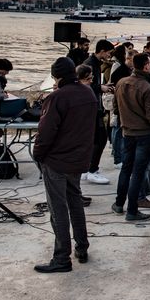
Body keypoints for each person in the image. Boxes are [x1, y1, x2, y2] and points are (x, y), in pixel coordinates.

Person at [32, 57, 98, 273]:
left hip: (57, 160)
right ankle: (82, 247)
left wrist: (38, 155)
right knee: (75, 203)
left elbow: (45, 132)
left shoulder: (57, 97)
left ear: (57, 77)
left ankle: (61, 258)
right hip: (78, 158)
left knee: (58, 208)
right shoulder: (88, 93)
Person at [113, 53, 150, 221]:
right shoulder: (147, 88)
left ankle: (119, 203)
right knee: (138, 173)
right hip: (145, 134)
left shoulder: (121, 83)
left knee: (126, 169)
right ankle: (132, 210)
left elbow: (115, 108)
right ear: (146, 66)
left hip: (127, 132)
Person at [81, 39, 115, 185]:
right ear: (101, 51)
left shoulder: (95, 63)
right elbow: (84, 84)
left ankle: (87, 169)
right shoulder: (89, 64)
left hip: (95, 105)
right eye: (108, 53)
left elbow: (92, 84)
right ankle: (92, 170)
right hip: (91, 107)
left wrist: (102, 86)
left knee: (95, 139)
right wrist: (100, 88)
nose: (109, 56)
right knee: (100, 138)